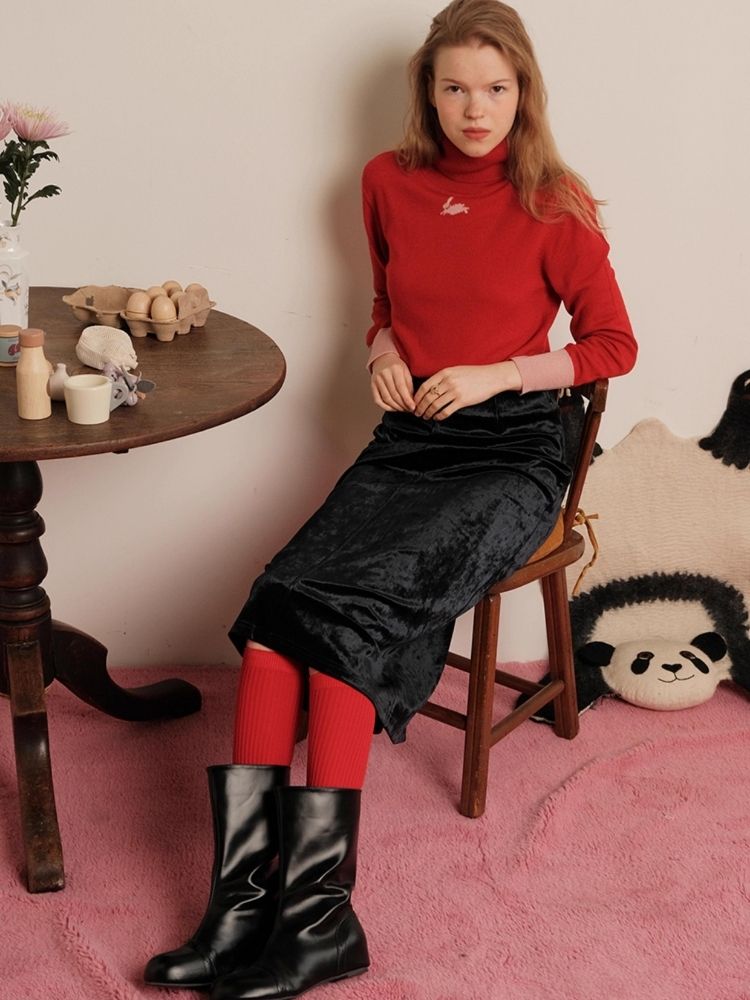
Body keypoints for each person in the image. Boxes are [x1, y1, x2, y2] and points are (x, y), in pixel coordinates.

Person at [144, 1, 637, 998]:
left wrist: (500, 374)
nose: (475, 108)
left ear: (524, 93)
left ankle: (321, 916)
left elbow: (613, 346)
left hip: (511, 453)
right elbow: (385, 301)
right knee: (279, 608)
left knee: (346, 622)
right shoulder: (386, 182)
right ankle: (241, 904)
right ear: (428, 91)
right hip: (410, 440)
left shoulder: (557, 202)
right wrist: (381, 350)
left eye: (495, 88)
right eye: (455, 87)